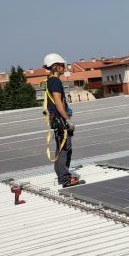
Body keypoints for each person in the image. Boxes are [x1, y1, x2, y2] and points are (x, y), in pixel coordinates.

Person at [42, 53, 83, 187]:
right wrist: (67, 119)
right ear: (55, 67)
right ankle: (65, 179)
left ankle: (62, 177)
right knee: (65, 149)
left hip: (56, 120)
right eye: (61, 65)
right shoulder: (56, 82)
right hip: (61, 121)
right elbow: (58, 101)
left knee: (60, 149)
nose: (64, 67)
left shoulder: (50, 81)